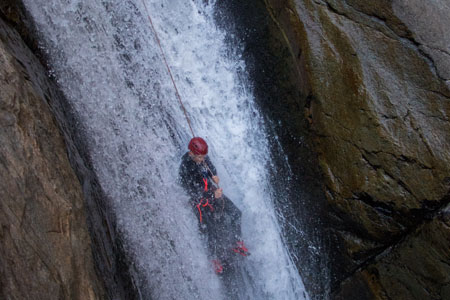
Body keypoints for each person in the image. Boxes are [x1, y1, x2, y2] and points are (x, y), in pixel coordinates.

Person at [179, 137, 249, 274]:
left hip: (212, 193)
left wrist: (214, 175)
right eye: (200, 157)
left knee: (236, 213)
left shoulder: (202, 158)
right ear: (191, 153)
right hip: (199, 202)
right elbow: (193, 192)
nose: (202, 159)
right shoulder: (186, 168)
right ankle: (213, 259)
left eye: (203, 156)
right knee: (209, 230)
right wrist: (212, 196)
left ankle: (237, 242)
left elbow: (209, 166)